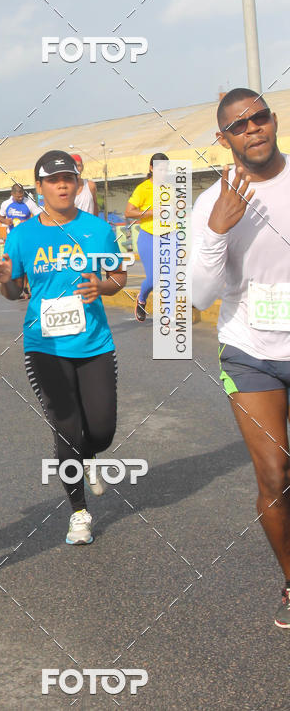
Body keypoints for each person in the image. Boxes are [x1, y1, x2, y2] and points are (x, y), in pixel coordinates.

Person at [0, 150, 126, 545]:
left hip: (94, 342)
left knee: (100, 430)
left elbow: (117, 275)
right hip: (44, 345)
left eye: (68, 178)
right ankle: (79, 513)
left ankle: (90, 456)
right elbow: (14, 289)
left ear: (78, 184)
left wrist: (101, 286)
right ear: (40, 188)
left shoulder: (96, 230)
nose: (62, 185)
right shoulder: (22, 235)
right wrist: (3, 279)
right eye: (53, 180)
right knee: (66, 427)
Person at [191, 87, 290, 629]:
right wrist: (216, 231)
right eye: (239, 125)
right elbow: (200, 297)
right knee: (275, 474)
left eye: (260, 118)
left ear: (272, 122)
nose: (253, 129)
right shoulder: (210, 204)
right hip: (251, 352)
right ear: (224, 138)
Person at [125, 152, 169, 322]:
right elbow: (129, 212)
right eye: (159, 169)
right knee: (154, 277)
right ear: (151, 168)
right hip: (148, 236)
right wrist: (153, 212)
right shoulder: (143, 188)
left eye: (165, 169)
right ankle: (142, 299)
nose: (163, 172)